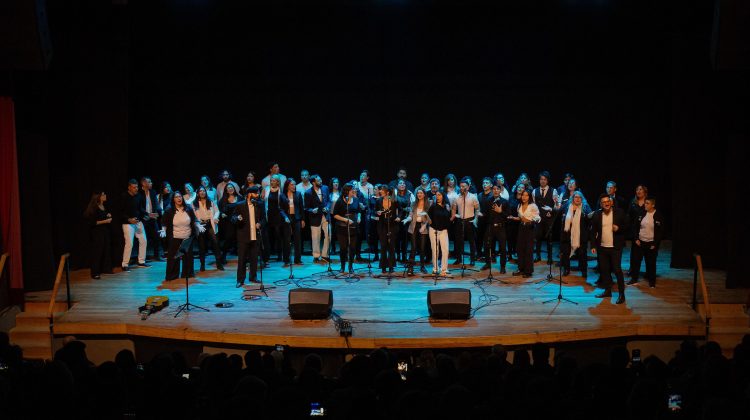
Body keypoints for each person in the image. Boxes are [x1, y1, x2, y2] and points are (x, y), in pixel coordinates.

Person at [590, 194, 629, 304]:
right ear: (601, 204)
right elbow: (593, 232)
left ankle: (622, 294)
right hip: (602, 248)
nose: (606, 203)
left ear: (611, 202)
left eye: (608, 201)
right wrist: (593, 245)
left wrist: (619, 228)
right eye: (603, 202)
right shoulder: (597, 214)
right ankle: (608, 291)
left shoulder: (619, 212)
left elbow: (628, 226)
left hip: (615, 247)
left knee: (617, 270)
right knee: (604, 270)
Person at [160, 193, 203, 281]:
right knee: (173, 257)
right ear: (173, 199)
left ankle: (187, 274)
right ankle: (172, 275)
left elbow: (194, 219)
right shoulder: (169, 210)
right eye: (176, 197)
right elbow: (164, 222)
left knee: (188, 257)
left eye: (180, 196)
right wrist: (163, 230)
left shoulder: (188, 208)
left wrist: (198, 225)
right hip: (175, 237)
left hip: (187, 236)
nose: (179, 198)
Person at [232, 186, 266, 287]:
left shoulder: (259, 205)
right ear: (249, 194)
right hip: (243, 236)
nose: (258, 195)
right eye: (256, 193)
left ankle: (253, 277)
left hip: (255, 236)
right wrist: (237, 217)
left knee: (254, 258)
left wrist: (260, 223)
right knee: (242, 259)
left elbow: (264, 219)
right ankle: (240, 280)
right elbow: (233, 218)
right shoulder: (240, 205)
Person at [628, 197, 664, 288]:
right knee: (636, 262)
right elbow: (635, 227)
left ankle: (652, 282)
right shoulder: (642, 213)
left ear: (653, 205)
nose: (645, 205)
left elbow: (660, 232)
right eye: (645, 203)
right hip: (640, 242)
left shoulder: (658, 215)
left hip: (651, 244)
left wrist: (655, 244)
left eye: (647, 203)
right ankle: (634, 279)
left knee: (651, 263)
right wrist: (636, 239)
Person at [560, 191, 591, 277]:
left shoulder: (585, 207)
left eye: (579, 197)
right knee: (566, 253)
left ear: (582, 199)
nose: (577, 199)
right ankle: (566, 269)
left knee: (582, 254)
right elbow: (559, 212)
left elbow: (590, 219)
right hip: (567, 234)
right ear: (572, 198)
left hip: (581, 235)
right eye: (576, 197)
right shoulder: (567, 206)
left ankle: (583, 270)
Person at [119, 179, 148, 271]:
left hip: (138, 222)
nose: (136, 189)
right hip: (128, 224)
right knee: (129, 243)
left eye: (137, 187)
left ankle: (141, 261)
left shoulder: (138, 196)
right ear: (129, 188)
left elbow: (140, 209)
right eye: (134, 187)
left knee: (143, 240)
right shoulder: (124, 196)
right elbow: (120, 212)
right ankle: (124, 264)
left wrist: (146, 215)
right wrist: (129, 219)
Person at [509, 189, 539, 278]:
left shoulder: (533, 206)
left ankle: (528, 271)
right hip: (521, 228)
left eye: (526, 195)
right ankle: (521, 268)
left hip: (530, 228)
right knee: (520, 249)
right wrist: (514, 218)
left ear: (529, 197)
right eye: (523, 195)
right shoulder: (519, 205)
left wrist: (530, 220)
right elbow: (520, 218)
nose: (524, 197)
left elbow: (538, 218)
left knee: (528, 250)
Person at [193, 186, 224, 272]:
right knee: (202, 246)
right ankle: (202, 265)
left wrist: (215, 217)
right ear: (198, 193)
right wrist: (197, 224)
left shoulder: (211, 201)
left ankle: (219, 263)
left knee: (216, 243)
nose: (202, 192)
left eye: (203, 191)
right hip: (201, 225)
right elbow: (193, 215)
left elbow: (217, 211)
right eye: (200, 191)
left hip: (210, 224)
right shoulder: (194, 203)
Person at [451, 178, 480, 266]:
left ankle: (472, 259)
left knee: (471, 241)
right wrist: (453, 215)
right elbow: (453, 208)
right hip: (460, 221)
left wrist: (476, 219)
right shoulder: (457, 197)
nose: (461, 188)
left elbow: (477, 209)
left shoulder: (473, 197)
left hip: (470, 220)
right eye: (460, 186)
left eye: (463, 186)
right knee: (459, 241)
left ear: (468, 187)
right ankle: (459, 258)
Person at [84, 192, 113, 279]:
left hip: (105, 231)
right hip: (97, 232)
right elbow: (92, 222)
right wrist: (105, 221)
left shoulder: (103, 206)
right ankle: (95, 273)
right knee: (97, 252)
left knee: (106, 249)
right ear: (98, 197)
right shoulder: (94, 207)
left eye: (105, 194)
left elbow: (102, 216)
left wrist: (108, 215)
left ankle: (106, 269)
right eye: (103, 195)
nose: (105, 196)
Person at [332, 183, 360, 273]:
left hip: (353, 227)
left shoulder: (356, 200)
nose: (354, 191)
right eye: (352, 190)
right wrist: (345, 220)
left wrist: (359, 217)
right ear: (347, 191)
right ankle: (342, 266)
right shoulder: (340, 201)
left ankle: (351, 266)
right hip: (342, 227)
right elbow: (335, 215)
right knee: (343, 248)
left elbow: (358, 211)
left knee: (352, 248)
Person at [481, 185, 510, 273]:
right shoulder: (488, 201)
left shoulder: (504, 202)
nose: (495, 191)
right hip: (490, 226)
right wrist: (481, 215)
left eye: (497, 189)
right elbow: (485, 213)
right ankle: (487, 263)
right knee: (486, 245)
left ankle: (502, 266)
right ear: (492, 190)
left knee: (502, 247)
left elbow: (508, 215)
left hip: (500, 227)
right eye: (494, 189)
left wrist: (500, 212)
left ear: (500, 190)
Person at [532, 171, 559, 264]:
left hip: (549, 218)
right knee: (537, 237)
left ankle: (550, 257)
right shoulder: (534, 191)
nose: (542, 181)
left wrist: (551, 210)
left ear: (547, 181)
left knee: (549, 239)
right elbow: (534, 205)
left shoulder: (553, 191)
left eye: (544, 179)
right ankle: (537, 255)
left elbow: (557, 206)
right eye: (541, 179)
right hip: (538, 218)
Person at [264, 174, 291, 266]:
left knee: (278, 236)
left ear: (278, 182)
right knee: (267, 238)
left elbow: (284, 205)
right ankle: (266, 258)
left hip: (278, 217)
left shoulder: (281, 192)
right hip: (268, 216)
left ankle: (280, 255)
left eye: (274, 180)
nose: (272, 182)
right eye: (271, 180)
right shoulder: (266, 190)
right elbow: (263, 200)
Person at [304, 175, 331, 263]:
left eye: (320, 179)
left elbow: (329, 201)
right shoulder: (308, 193)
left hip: (325, 216)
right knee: (316, 237)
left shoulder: (325, 188)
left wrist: (327, 207)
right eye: (318, 180)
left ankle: (325, 255)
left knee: (329, 234)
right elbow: (306, 207)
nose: (320, 181)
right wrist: (312, 210)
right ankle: (316, 256)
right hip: (315, 217)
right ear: (313, 182)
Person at [404, 188, 431, 275]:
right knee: (413, 247)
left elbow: (429, 218)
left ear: (424, 194)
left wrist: (424, 226)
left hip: (423, 226)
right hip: (414, 226)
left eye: (421, 193)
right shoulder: (413, 204)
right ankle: (410, 267)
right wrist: (407, 219)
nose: (419, 194)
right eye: (418, 193)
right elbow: (410, 215)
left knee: (422, 248)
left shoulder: (428, 204)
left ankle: (422, 266)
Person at [376, 185, 400, 273]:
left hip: (392, 225)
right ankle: (383, 266)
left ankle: (391, 266)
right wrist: (377, 213)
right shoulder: (378, 201)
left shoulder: (394, 201)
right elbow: (374, 211)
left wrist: (399, 217)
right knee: (383, 246)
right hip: (382, 226)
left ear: (387, 192)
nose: (380, 191)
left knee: (391, 246)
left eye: (382, 190)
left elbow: (401, 210)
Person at [427, 190, 451, 276]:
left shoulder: (447, 206)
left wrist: (451, 211)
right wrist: (425, 216)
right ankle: (435, 268)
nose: (437, 196)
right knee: (435, 249)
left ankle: (444, 269)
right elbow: (429, 220)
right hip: (434, 230)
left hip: (444, 230)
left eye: (439, 195)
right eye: (436, 195)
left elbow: (449, 220)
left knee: (445, 250)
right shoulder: (433, 206)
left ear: (443, 196)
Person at [627, 184, 649, 276]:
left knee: (648, 253)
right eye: (637, 190)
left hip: (647, 230)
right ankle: (633, 270)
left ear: (644, 192)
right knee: (635, 254)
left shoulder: (648, 203)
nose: (638, 191)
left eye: (640, 189)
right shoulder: (633, 203)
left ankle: (649, 273)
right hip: (635, 231)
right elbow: (629, 216)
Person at [138, 176, 162, 262]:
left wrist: (156, 213)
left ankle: (157, 256)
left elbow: (155, 204)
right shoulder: (139, 193)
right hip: (144, 219)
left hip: (152, 218)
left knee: (156, 237)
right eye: (149, 182)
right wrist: (147, 214)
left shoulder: (152, 192)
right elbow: (139, 207)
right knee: (144, 239)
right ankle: (142, 257)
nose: (151, 183)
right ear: (144, 183)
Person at [282, 178, 305, 265]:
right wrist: (285, 217)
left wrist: (302, 219)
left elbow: (301, 208)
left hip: (296, 218)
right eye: (292, 184)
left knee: (297, 239)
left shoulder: (298, 194)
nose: (294, 186)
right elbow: (280, 209)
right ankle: (286, 260)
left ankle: (297, 259)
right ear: (287, 186)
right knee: (287, 240)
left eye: (295, 184)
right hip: (287, 219)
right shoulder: (283, 195)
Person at [218, 183, 241, 264]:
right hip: (228, 222)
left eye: (231, 187)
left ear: (234, 188)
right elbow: (218, 210)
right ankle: (223, 256)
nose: (230, 189)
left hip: (238, 221)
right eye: (228, 188)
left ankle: (243, 257)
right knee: (228, 239)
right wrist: (221, 213)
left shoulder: (239, 197)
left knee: (240, 239)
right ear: (226, 190)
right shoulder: (223, 199)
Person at [395, 179, 414, 262]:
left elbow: (414, 205)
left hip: (406, 218)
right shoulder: (394, 193)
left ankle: (404, 255)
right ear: (397, 185)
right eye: (400, 183)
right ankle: (398, 255)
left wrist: (410, 209)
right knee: (397, 238)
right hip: (397, 218)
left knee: (405, 238)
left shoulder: (409, 194)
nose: (402, 184)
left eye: (403, 183)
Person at [506, 183, 526, 261]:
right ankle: (510, 254)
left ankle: (517, 253)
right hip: (510, 221)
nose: (520, 189)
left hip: (519, 222)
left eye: (522, 187)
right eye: (519, 187)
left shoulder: (524, 199)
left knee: (518, 239)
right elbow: (507, 208)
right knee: (510, 238)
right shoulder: (511, 197)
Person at [476, 177, 494, 261]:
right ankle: (479, 254)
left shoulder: (493, 195)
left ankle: (490, 256)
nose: (484, 184)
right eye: (483, 183)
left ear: (491, 185)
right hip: (480, 220)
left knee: (489, 240)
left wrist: (484, 214)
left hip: (489, 220)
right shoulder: (479, 195)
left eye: (487, 183)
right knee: (479, 238)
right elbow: (477, 207)